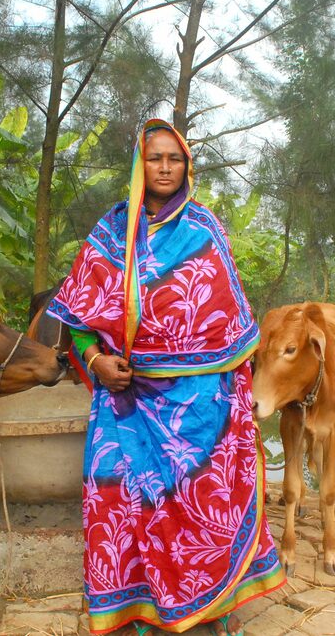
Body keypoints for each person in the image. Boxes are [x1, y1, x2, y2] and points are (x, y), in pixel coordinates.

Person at [46, 119, 285, 635]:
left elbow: (234, 329)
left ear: (186, 167)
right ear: (140, 164)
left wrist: (233, 402)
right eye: (156, 158)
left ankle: (213, 608)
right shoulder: (109, 235)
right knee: (125, 503)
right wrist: (95, 362)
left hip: (201, 404)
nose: (165, 167)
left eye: (174, 159)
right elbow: (79, 326)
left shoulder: (205, 230)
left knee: (206, 507)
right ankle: (144, 610)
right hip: (127, 401)